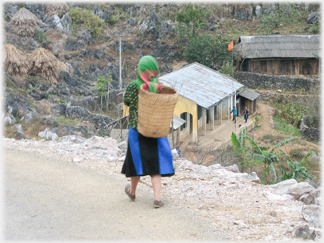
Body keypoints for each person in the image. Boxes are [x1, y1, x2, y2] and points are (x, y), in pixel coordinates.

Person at [121, 56, 174, 208]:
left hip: (137, 129)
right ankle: (157, 198)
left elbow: (127, 101)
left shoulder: (133, 86)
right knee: (155, 163)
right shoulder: (159, 87)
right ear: (154, 70)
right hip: (154, 129)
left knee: (136, 161)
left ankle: (132, 191)